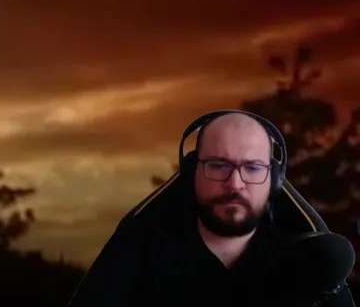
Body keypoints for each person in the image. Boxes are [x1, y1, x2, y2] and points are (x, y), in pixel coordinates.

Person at [69, 112, 355, 307]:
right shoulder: (140, 245)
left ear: (274, 178)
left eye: (253, 168)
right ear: (192, 172)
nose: (235, 183)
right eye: (218, 165)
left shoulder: (308, 254)